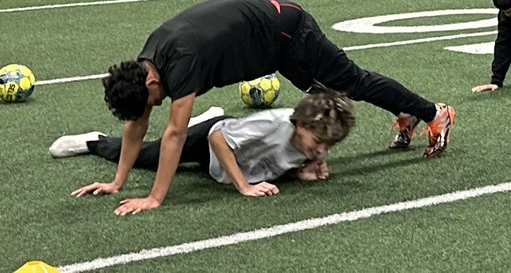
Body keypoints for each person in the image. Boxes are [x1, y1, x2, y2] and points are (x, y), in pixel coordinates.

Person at [73, 0, 455, 215]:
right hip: (273, 46)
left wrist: (155, 198)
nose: (151, 108)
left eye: (151, 102)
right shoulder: (146, 66)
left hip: (290, 31)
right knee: (332, 89)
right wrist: (117, 182)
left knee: (349, 82)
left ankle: (432, 113)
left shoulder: (180, 61)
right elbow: (138, 123)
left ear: (151, 82)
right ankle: (402, 113)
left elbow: (174, 133)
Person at [55, 90, 355, 198]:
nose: (321, 151)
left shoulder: (306, 145)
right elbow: (218, 138)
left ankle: (210, 116)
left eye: (328, 147)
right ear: (300, 125)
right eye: (318, 142)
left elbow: (269, 162)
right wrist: (243, 186)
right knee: (148, 156)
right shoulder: (275, 123)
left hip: (230, 155)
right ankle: (95, 141)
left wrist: (299, 173)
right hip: (211, 140)